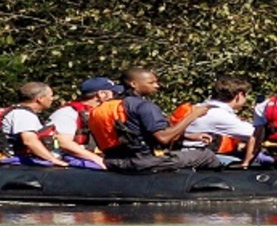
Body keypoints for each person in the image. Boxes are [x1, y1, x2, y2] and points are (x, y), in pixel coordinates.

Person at [93, 67, 221, 173]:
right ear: (133, 84)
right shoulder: (144, 106)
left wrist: (188, 136)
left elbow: (132, 134)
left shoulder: (102, 108)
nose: (157, 86)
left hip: (113, 162)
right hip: (143, 163)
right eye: (151, 83)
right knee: (206, 155)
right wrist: (193, 116)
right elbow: (164, 138)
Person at [45, 77, 123, 170]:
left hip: (91, 158)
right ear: (101, 94)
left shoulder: (100, 112)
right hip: (66, 163)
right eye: (113, 93)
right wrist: (97, 159)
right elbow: (64, 143)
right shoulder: (67, 113)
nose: (115, 97)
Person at [182, 75, 256, 165]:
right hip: (200, 158)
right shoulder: (218, 114)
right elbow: (255, 134)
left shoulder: (202, 107)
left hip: (190, 155)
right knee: (259, 166)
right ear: (239, 96)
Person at [0, 81, 69, 167]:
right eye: (50, 96)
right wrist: (53, 160)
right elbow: (29, 141)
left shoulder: (22, 112)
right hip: (17, 164)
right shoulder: (23, 114)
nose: (52, 99)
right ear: (40, 99)